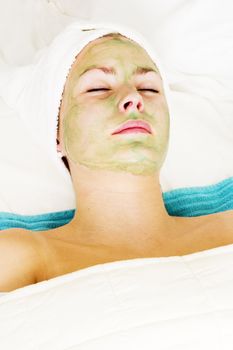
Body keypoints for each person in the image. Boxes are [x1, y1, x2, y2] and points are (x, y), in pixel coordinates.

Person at [0, 30, 232, 292]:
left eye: (149, 88)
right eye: (98, 88)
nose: (134, 99)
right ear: (56, 132)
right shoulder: (22, 256)